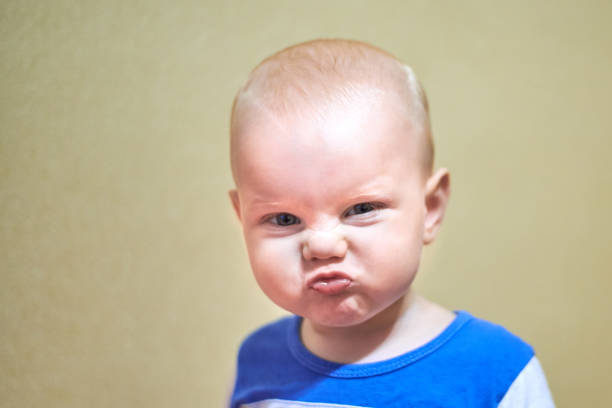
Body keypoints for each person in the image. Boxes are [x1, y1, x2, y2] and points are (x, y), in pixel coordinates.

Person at [227, 38, 555, 407]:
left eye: (361, 208)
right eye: (284, 218)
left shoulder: (497, 372)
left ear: (430, 208)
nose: (321, 246)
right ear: (243, 219)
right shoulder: (257, 359)